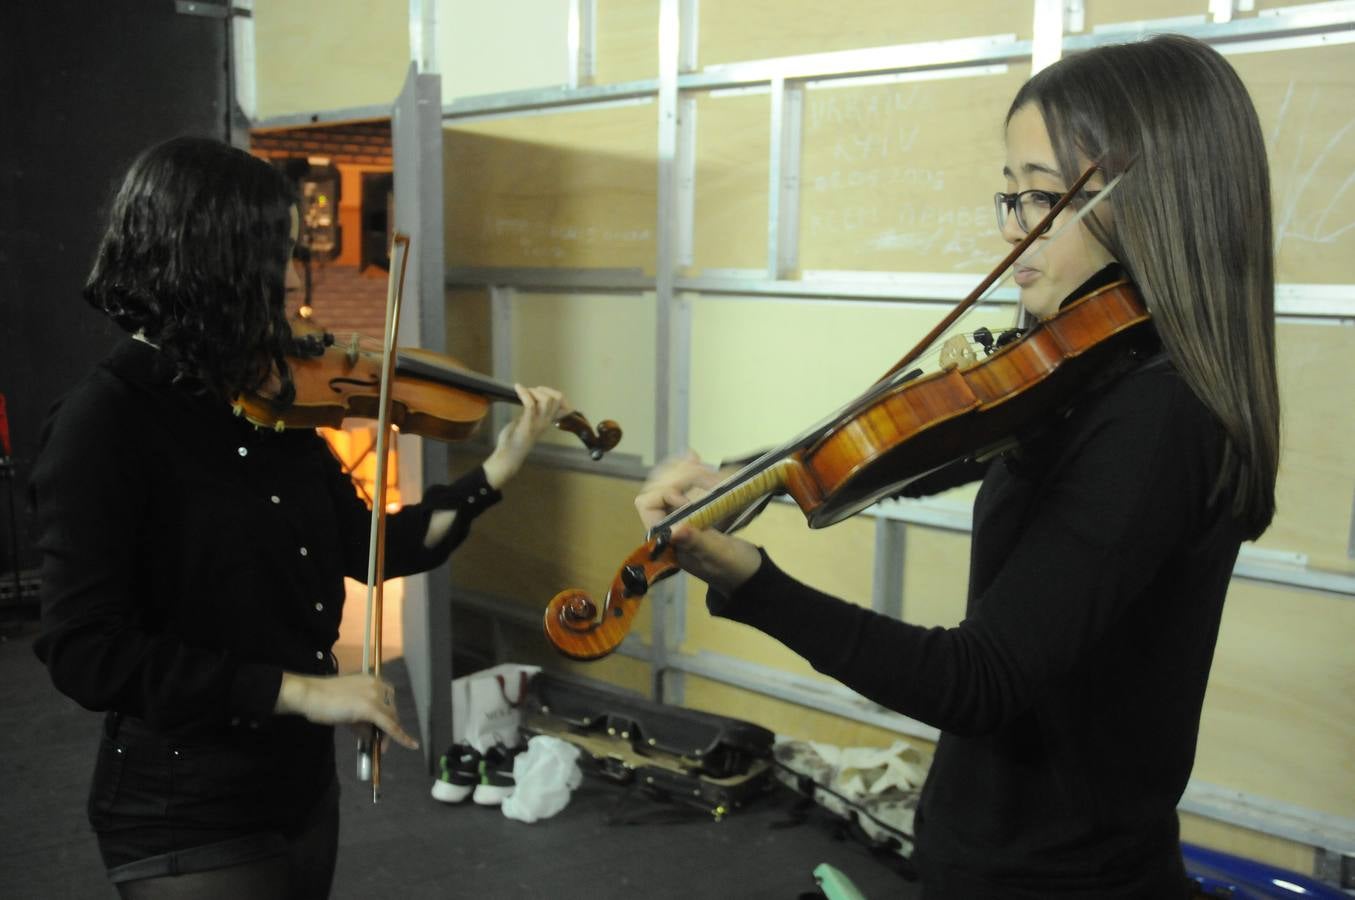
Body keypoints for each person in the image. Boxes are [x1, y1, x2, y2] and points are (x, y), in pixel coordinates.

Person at [636, 35, 1279, 900]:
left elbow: (978, 679)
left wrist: (755, 586)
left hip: (1059, 881)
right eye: (1009, 197)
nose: (1016, 232)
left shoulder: (1161, 415)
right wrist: (749, 475)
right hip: (988, 855)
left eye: (1042, 198)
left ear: (1154, 197)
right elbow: (931, 444)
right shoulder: (1092, 375)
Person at [31, 136, 564, 899]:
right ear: (200, 259)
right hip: (184, 807)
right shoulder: (105, 421)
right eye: (271, 254)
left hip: (299, 786)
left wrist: (497, 471)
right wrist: (304, 690)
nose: (290, 279)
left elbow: (372, 547)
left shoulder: (267, 399)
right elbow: (87, 651)